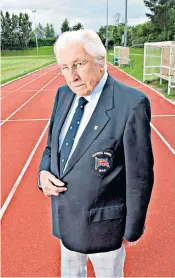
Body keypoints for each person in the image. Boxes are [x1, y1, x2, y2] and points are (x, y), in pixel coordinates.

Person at [38, 29, 154, 277]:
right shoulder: (63, 95)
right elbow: (52, 147)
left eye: (79, 64)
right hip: (65, 221)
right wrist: (43, 172)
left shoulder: (131, 103)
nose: (72, 76)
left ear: (101, 61)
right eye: (64, 67)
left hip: (105, 229)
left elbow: (139, 177)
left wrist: (130, 232)